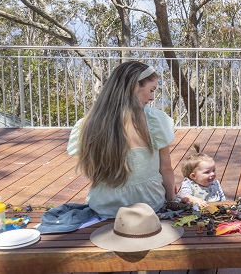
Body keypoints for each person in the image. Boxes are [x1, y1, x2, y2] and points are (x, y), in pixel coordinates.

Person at [67, 61, 176, 219]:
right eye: (151, 90)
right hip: (150, 207)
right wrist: (172, 200)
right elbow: (166, 168)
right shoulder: (156, 121)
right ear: (135, 86)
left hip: (105, 208)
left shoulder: (88, 123)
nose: (152, 97)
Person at [178, 144, 226, 210]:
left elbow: (222, 199)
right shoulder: (189, 183)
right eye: (207, 172)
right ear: (193, 176)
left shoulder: (215, 183)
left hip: (215, 211)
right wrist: (196, 200)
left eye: (213, 170)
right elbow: (184, 197)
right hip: (196, 212)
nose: (212, 174)